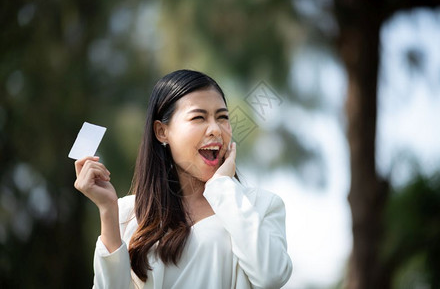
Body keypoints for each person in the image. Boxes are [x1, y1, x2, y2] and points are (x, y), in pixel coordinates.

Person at [74, 69, 292, 289]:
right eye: (199, 117)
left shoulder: (261, 205)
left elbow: (272, 276)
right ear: (161, 132)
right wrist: (107, 210)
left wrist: (221, 187)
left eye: (223, 117)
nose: (215, 129)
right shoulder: (127, 214)